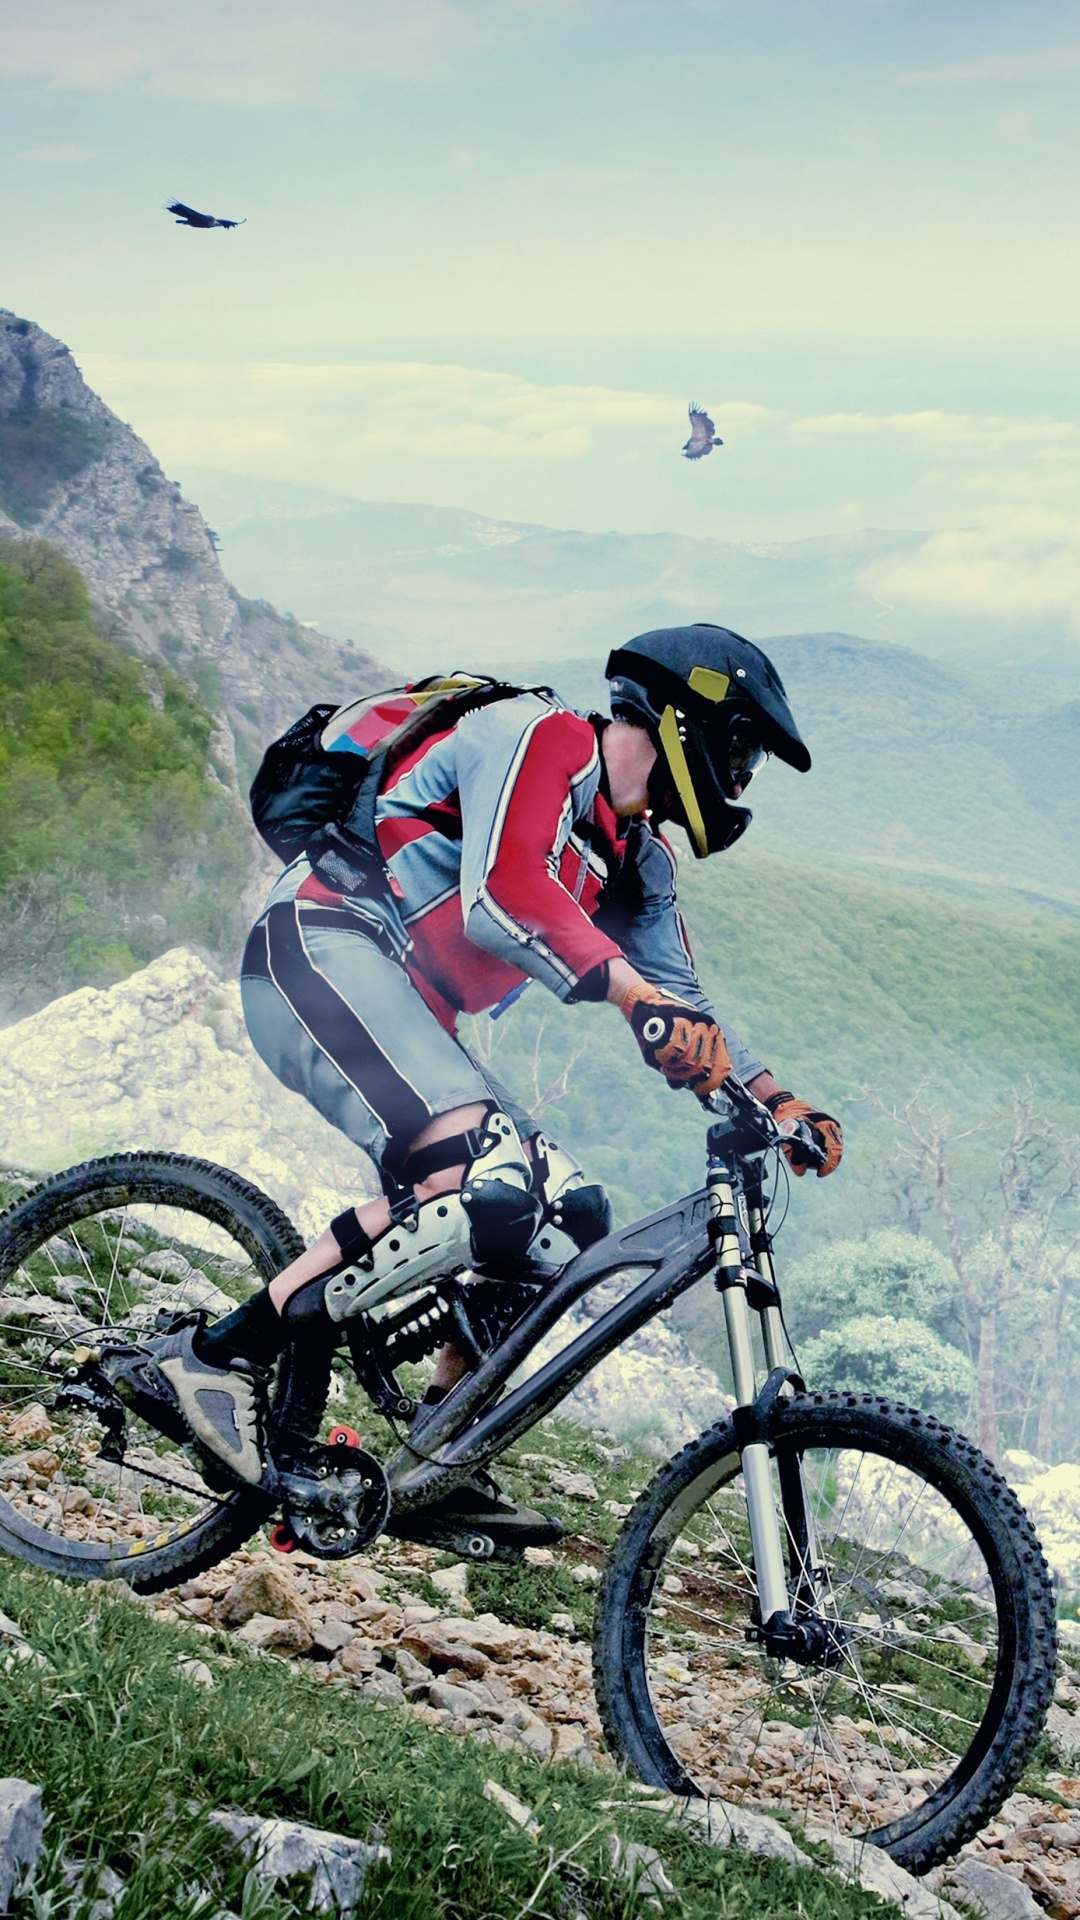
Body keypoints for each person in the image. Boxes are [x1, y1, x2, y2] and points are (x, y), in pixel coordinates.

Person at [149, 624, 842, 1543]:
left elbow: (682, 997)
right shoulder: (541, 737)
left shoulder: (637, 858)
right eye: (743, 747)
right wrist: (634, 1000)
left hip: (407, 1015)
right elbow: (505, 893)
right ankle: (209, 1357)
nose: (744, 776)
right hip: (322, 948)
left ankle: (439, 1449)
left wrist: (773, 1097)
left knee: (574, 1217)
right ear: (688, 720)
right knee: (485, 1172)